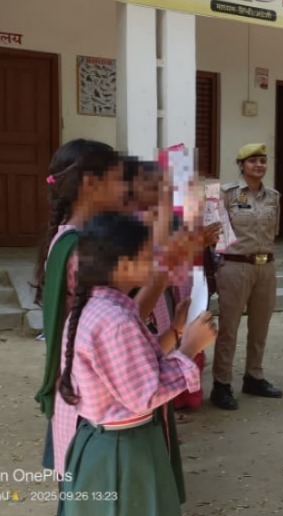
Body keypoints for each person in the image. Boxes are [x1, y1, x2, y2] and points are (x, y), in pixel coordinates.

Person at [58, 212, 216, 516]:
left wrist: (175, 333)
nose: (155, 263)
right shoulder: (116, 321)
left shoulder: (102, 307)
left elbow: (134, 367)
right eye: (148, 256)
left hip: (107, 442)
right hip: (123, 450)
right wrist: (190, 348)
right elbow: (144, 394)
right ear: (123, 265)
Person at [34, 140, 124, 479]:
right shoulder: (82, 251)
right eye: (116, 178)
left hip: (75, 379)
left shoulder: (66, 237)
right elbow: (114, 320)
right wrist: (158, 281)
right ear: (90, 184)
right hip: (92, 392)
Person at [211, 143, 283, 410]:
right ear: (241, 165)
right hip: (235, 265)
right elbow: (214, 232)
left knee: (260, 326)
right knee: (229, 328)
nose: (259, 165)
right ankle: (221, 384)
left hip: (265, 267)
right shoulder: (226, 193)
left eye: (263, 161)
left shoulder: (273, 196)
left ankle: (254, 376)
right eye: (253, 161)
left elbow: (274, 231)